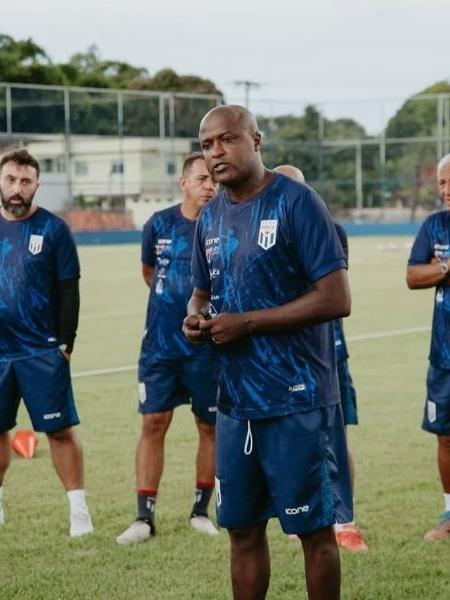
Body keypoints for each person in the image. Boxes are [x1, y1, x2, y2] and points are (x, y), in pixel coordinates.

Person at [183, 106, 353, 600]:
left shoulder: (297, 203)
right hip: (236, 402)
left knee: (314, 532)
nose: (216, 152)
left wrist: (248, 322)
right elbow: (201, 291)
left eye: (227, 140)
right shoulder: (210, 215)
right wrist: (195, 316)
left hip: (298, 398)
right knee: (242, 530)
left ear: (255, 140)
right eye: (207, 144)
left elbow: (336, 298)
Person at [117, 152, 219, 545]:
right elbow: (149, 272)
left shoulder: (223, 224)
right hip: (159, 348)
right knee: (153, 423)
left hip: (205, 349)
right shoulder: (158, 223)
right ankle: (144, 517)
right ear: (184, 183)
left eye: (213, 180)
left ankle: (200, 510)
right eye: (202, 179)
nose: (210, 186)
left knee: (208, 426)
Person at [273, 164, 368, 553]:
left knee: (334, 435)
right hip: (278, 359)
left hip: (326, 356)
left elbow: (321, 294)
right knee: (288, 441)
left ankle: (345, 521)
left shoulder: (328, 230)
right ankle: (299, 517)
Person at [0, 148, 93, 537]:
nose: (17, 188)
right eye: (10, 179)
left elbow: (68, 290)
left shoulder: (54, 229)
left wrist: (65, 343)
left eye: (25, 181)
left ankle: (78, 511)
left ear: (37, 184)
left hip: (42, 350)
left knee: (59, 432)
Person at [407, 152, 450, 541]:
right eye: (441, 183)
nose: (446, 190)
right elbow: (412, 275)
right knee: (445, 436)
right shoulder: (434, 226)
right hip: (444, 355)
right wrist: (445, 268)